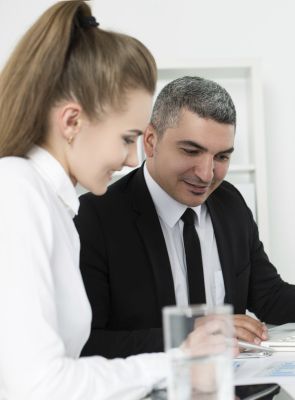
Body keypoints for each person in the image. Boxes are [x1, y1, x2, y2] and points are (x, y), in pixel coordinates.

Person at [0, 2, 223, 399]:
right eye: (126, 138)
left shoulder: (55, 207)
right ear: (72, 122)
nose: (132, 159)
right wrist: (175, 361)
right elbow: (38, 386)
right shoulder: (16, 190)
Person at [74, 75, 295, 359]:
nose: (207, 174)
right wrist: (194, 334)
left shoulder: (229, 202)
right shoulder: (94, 218)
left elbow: (270, 296)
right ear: (150, 141)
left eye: (221, 157)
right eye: (191, 151)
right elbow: (87, 345)